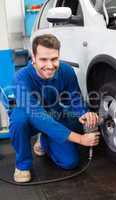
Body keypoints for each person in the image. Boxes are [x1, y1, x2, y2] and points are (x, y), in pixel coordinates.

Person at [10, 34, 100, 183]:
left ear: (59, 56)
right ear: (34, 58)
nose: (50, 65)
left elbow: (75, 98)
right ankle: (22, 164)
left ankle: (44, 141)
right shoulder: (20, 78)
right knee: (18, 122)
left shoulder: (66, 71)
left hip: (54, 113)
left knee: (69, 162)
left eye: (54, 59)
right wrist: (80, 139)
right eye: (43, 59)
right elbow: (38, 116)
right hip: (30, 116)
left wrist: (83, 114)